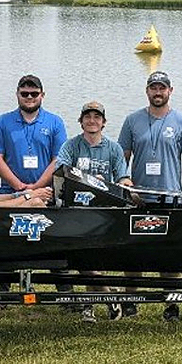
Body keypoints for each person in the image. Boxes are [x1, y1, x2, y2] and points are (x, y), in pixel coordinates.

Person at [117, 71, 182, 321]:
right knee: (133, 254)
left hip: (170, 199)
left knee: (169, 256)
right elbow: (122, 160)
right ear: (147, 91)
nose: (158, 92)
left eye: (162, 88)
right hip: (138, 199)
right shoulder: (132, 121)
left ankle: (171, 304)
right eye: (154, 88)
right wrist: (125, 191)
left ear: (170, 91)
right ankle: (130, 301)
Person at [0, 74, 68, 309]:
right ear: (18, 95)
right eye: (25, 94)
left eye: (34, 94)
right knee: (6, 242)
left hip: (47, 193)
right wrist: (20, 187)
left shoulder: (55, 122)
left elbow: (58, 159)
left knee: (55, 241)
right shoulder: (3, 122)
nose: (30, 98)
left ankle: (64, 292)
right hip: (10, 192)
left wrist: (37, 187)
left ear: (42, 95)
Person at [56, 101, 132, 322]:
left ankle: (91, 305)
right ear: (80, 121)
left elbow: (122, 178)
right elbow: (61, 172)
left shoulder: (114, 148)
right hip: (77, 212)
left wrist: (125, 183)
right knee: (85, 260)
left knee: (89, 261)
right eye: (87, 117)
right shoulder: (70, 146)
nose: (92, 120)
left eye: (97, 117)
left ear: (104, 122)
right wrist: (87, 179)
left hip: (104, 213)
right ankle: (107, 297)